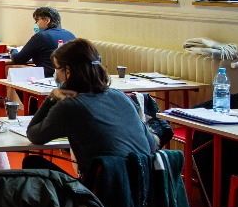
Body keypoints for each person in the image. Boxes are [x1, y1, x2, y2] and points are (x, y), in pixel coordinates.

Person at [25, 38, 156, 175]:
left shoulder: (70, 106)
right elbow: (151, 144)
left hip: (103, 184)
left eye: (57, 68)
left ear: (68, 72)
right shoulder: (121, 96)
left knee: (32, 162)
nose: (55, 73)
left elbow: (34, 135)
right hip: (145, 181)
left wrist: (51, 98)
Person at [10, 6, 76, 77]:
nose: (36, 23)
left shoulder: (41, 36)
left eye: (37, 20)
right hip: (68, 77)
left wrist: (13, 50)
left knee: (11, 68)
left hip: (46, 77)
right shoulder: (71, 35)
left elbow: (18, 59)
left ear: (47, 20)